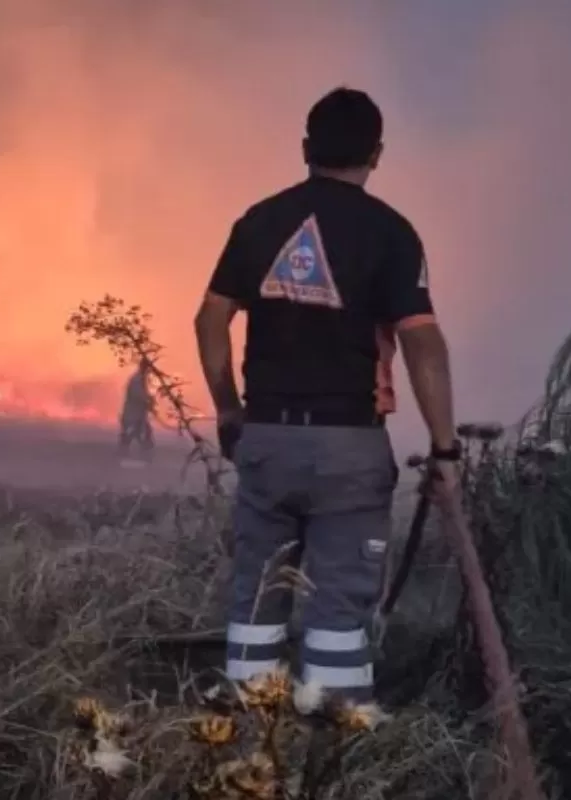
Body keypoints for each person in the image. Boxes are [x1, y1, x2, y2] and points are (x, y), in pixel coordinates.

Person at [194, 87, 461, 706]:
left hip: (267, 438)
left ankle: (249, 735)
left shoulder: (259, 222)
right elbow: (422, 344)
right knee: (339, 607)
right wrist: (445, 449)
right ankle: (334, 738)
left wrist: (229, 409)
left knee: (258, 596)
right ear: (377, 153)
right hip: (349, 449)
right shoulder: (391, 233)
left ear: (305, 148)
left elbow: (210, 320)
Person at [118, 358, 156, 461]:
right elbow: (138, 395)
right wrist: (148, 400)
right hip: (133, 414)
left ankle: (144, 454)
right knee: (135, 434)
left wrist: (149, 400)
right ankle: (143, 454)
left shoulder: (141, 379)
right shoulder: (137, 379)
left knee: (141, 434)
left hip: (137, 414)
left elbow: (142, 395)